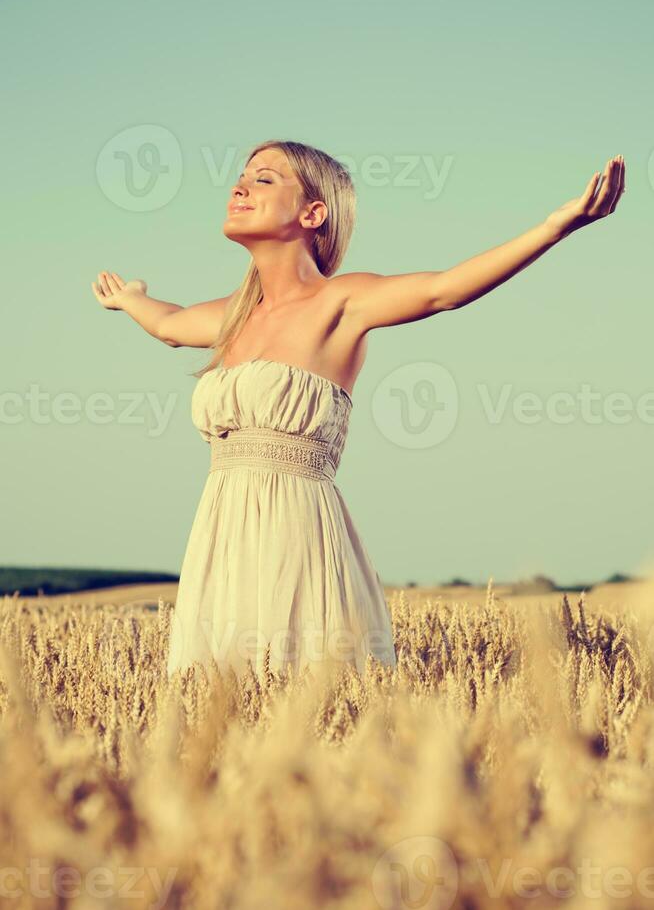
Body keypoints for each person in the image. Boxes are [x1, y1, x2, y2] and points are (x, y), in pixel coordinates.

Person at [92, 140, 625, 678]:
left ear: (313, 213)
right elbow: (168, 324)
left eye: (265, 179)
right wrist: (131, 298)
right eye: (242, 176)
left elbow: (444, 291)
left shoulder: (340, 303)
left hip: (295, 530)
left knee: (302, 690)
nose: (240, 186)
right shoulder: (232, 318)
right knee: (218, 707)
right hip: (221, 533)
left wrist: (554, 227)